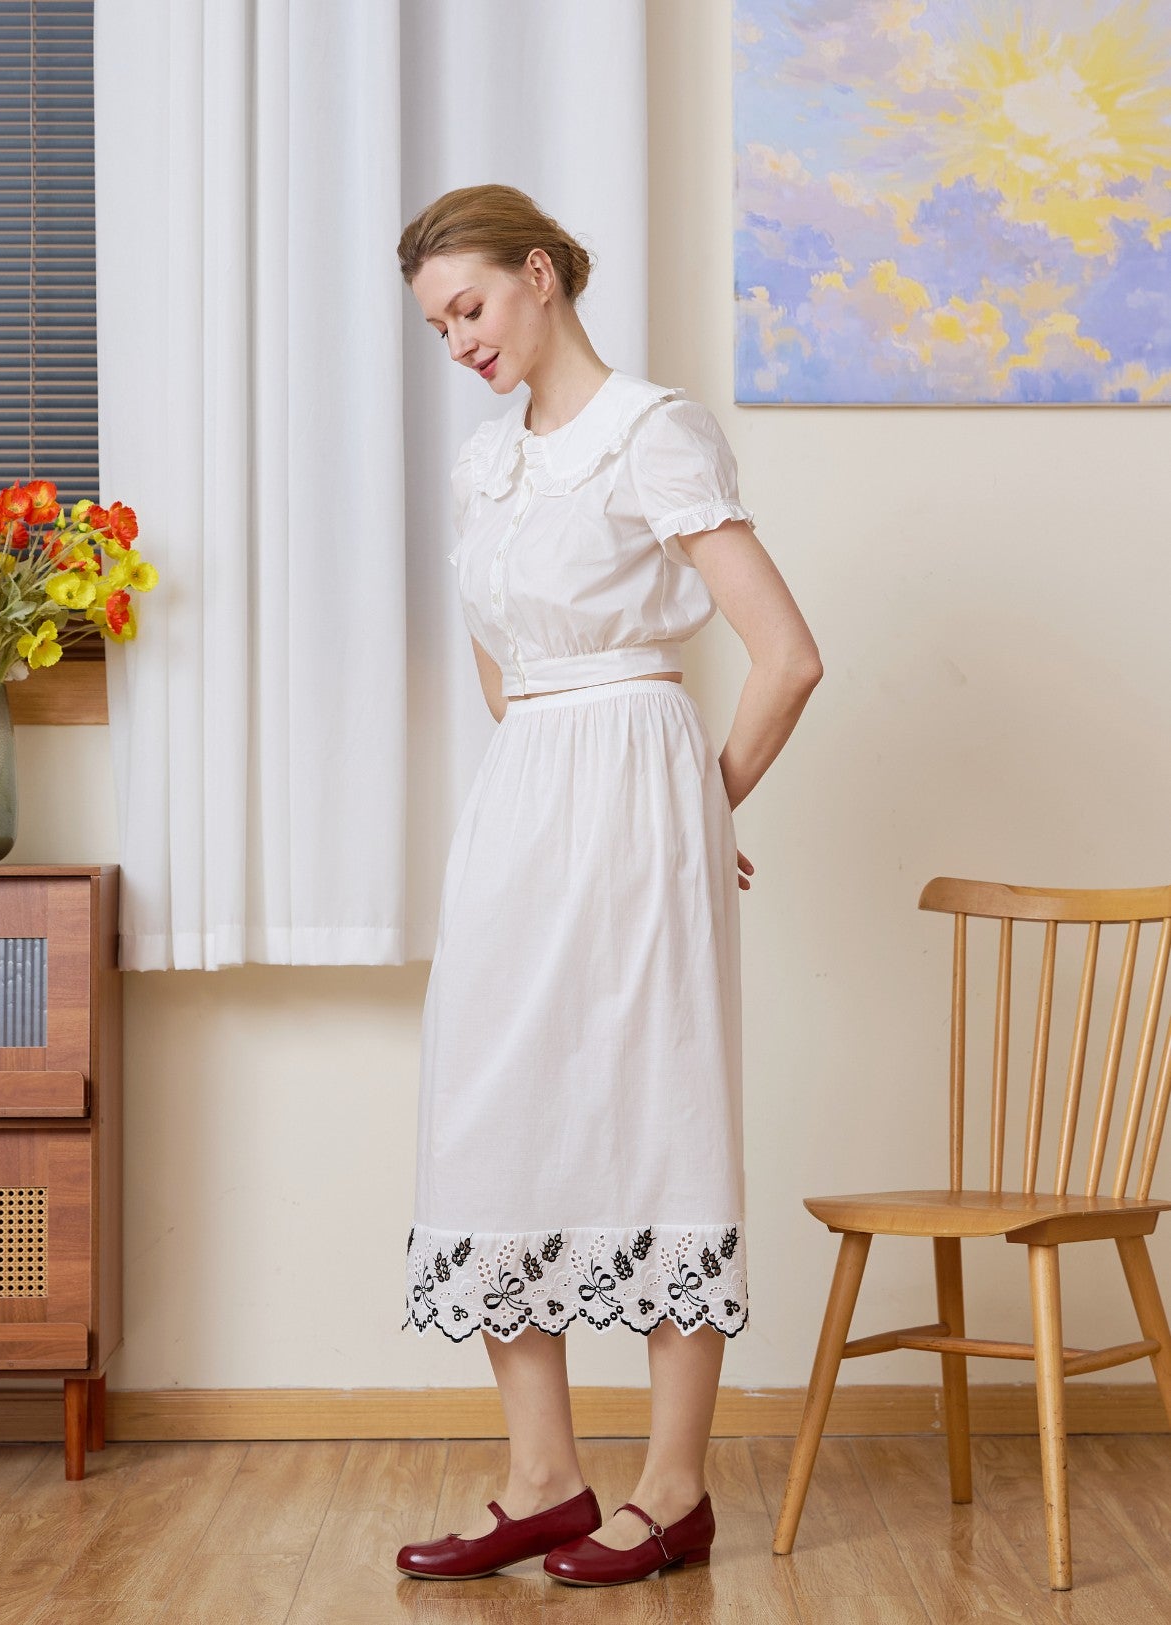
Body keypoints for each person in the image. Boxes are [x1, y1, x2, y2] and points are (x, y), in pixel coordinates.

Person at [393, 184, 822, 1587]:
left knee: (654, 1105)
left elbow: (784, 653)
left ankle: (673, 1486)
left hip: (637, 778)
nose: (457, 341)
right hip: (521, 800)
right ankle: (541, 1477)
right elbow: (493, 650)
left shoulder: (653, 430)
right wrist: (541, 773)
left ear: (539, 275)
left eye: (468, 308)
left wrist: (691, 805)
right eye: (435, 325)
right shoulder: (482, 464)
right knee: (493, 1106)